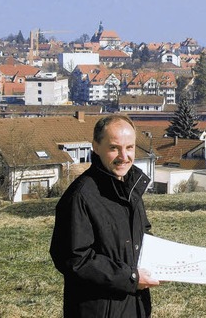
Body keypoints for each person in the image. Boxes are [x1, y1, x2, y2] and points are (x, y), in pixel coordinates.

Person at [50, 114, 160, 317]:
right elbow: (74, 259)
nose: (124, 156)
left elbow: (141, 234)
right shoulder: (80, 196)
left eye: (129, 147)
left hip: (133, 305)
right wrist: (131, 278)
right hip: (98, 309)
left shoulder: (130, 188)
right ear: (96, 146)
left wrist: (161, 261)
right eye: (114, 148)